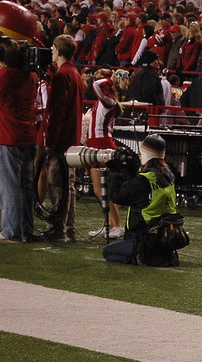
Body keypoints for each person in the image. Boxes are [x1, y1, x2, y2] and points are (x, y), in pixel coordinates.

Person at [103, 134, 180, 266]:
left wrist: (116, 173)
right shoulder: (168, 174)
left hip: (143, 238)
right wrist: (131, 169)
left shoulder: (144, 180)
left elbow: (117, 197)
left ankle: (141, 257)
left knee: (108, 252)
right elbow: (140, 194)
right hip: (163, 235)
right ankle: (157, 256)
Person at [41, 34, 85, 243]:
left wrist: (50, 142)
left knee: (57, 184)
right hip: (73, 140)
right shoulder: (75, 73)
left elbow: (57, 113)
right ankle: (69, 227)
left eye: (53, 48)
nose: (51, 51)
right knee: (69, 186)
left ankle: (58, 228)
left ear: (58, 51)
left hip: (62, 141)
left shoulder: (62, 76)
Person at [0, 37, 38, 243]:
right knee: (25, 184)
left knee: (10, 185)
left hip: (9, 136)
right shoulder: (30, 75)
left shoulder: (4, 76)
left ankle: (11, 230)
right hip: (27, 135)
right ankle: (25, 228)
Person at [84, 67, 125, 239]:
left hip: (102, 145)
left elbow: (97, 84)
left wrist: (111, 78)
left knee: (102, 190)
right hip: (96, 145)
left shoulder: (109, 100)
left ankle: (116, 225)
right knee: (99, 189)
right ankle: (109, 224)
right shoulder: (103, 101)